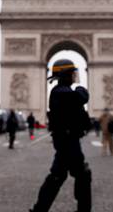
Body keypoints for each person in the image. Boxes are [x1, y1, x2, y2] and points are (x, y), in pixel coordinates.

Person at [30, 59, 91, 212]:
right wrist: (81, 89)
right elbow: (82, 97)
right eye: (72, 74)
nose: (74, 77)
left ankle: (39, 209)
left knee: (57, 176)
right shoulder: (62, 92)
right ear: (64, 75)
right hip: (68, 141)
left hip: (66, 140)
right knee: (81, 175)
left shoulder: (61, 92)